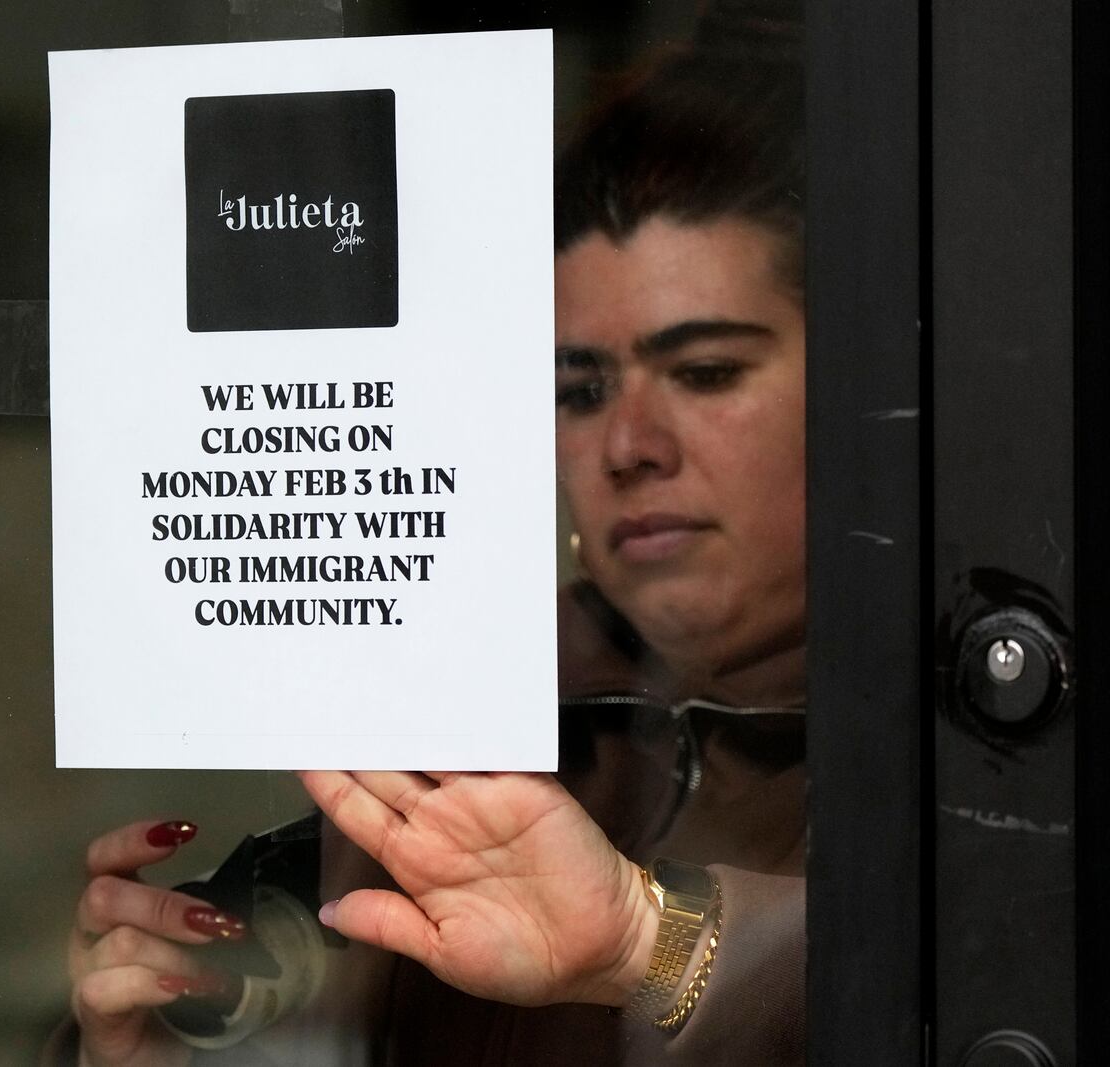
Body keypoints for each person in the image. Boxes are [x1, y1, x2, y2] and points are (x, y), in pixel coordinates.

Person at [54, 23, 806, 1067]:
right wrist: (147, 1045)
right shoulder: (471, 714)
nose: (628, 445)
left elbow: (988, 968)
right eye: (577, 390)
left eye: (706, 371)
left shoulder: (977, 725)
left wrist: (655, 938)